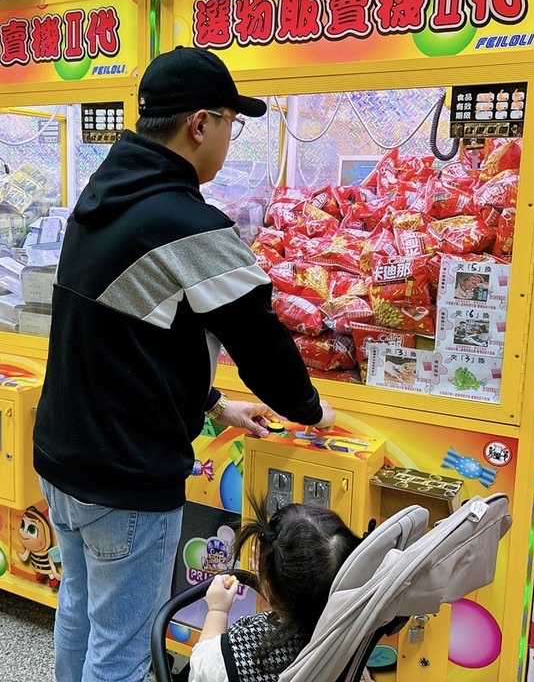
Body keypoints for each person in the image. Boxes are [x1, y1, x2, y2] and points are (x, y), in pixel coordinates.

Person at [32, 46, 337, 682]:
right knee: (119, 648)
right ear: (201, 124)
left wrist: (213, 404)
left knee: (80, 615)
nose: (231, 137)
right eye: (231, 122)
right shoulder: (188, 223)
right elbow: (260, 340)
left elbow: (133, 335)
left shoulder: (105, 192)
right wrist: (313, 408)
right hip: (125, 474)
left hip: (63, 457)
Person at [190, 499, 362, 682]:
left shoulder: (247, 649)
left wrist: (217, 610)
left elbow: (201, 670)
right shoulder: (349, 634)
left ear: (271, 589)